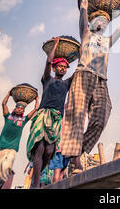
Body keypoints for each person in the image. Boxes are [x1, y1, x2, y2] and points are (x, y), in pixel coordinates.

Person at [61, 0, 120, 173]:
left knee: (102, 113)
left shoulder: (106, 41)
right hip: (83, 74)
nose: (103, 23)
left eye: (106, 22)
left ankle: (78, 149)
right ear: (92, 22)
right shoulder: (86, 34)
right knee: (77, 114)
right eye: (99, 20)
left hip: (101, 79)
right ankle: (75, 160)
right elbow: (82, 16)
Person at [26, 37, 72, 188]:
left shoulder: (66, 83)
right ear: (54, 68)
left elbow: (79, 71)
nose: (62, 69)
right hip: (43, 115)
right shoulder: (47, 79)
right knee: (40, 147)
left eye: (65, 67)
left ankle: (38, 177)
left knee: (49, 150)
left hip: (56, 118)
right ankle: (35, 183)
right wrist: (56, 45)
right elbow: (47, 62)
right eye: (59, 66)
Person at [0, 90, 39, 189]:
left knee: (7, 169)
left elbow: (36, 108)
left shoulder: (23, 120)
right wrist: (8, 94)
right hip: (0, 148)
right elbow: (3, 104)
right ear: (15, 109)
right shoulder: (8, 117)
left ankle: (0, 186)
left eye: (22, 109)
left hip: (12, 149)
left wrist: (36, 98)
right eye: (18, 108)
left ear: (23, 111)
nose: (20, 110)